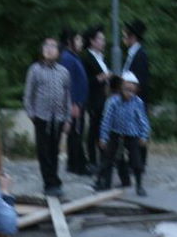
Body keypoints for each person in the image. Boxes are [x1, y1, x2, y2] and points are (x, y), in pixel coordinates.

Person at [23, 36, 72, 197]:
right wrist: (32, 114)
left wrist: (68, 118)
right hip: (41, 117)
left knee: (54, 151)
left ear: (58, 52)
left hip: (58, 118)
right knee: (43, 151)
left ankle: (55, 180)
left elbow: (67, 97)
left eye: (53, 46)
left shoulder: (63, 72)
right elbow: (28, 95)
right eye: (46, 46)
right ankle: (49, 183)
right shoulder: (35, 70)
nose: (49, 49)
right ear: (42, 51)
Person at [95, 70, 151, 195]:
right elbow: (107, 120)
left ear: (136, 90)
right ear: (121, 88)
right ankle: (102, 182)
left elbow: (143, 120)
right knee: (107, 159)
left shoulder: (138, 102)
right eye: (126, 90)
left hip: (132, 135)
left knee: (136, 160)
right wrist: (103, 137)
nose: (129, 93)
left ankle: (139, 185)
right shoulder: (113, 102)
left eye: (132, 90)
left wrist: (144, 135)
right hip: (115, 133)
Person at [60, 29, 91, 176]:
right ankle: (78, 165)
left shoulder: (74, 57)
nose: (81, 43)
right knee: (76, 133)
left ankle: (74, 163)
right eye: (77, 40)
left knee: (76, 133)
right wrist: (73, 103)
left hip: (79, 101)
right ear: (69, 41)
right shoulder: (67, 58)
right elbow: (68, 83)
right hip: (75, 103)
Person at [81, 26, 112, 171]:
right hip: (93, 98)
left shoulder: (101, 57)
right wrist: (100, 78)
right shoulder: (87, 57)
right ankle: (92, 160)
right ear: (92, 41)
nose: (103, 42)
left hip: (103, 97)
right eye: (100, 39)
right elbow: (84, 80)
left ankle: (103, 158)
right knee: (94, 130)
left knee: (102, 128)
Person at [121, 19, 150, 99]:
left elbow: (140, 82)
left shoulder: (140, 56)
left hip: (135, 101)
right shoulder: (131, 54)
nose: (123, 39)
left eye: (125, 36)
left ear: (132, 37)